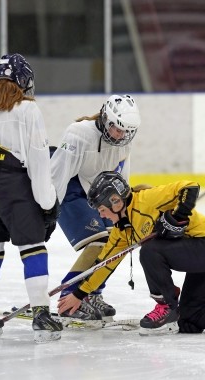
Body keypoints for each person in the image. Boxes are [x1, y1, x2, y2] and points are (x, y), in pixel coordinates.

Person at [58, 171, 205, 337]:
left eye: (102, 209)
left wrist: (178, 217)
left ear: (116, 201)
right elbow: (105, 264)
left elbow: (189, 186)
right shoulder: (122, 232)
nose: (100, 215)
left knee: (150, 251)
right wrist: (79, 294)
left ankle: (165, 306)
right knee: (189, 316)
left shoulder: (147, 200)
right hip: (203, 257)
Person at [0, 53, 62, 343]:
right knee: (33, 248)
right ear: (24, 81)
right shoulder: (27, 110)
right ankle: (42, 315)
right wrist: (47, 204)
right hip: (15, 186)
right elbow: (38, 160)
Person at [51, 94, 141, 321]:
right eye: (116, 129)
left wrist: (125, 211)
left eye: (126, 132)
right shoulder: (78, 133)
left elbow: (122, 178)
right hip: (70, 188)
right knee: (97, 240)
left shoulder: (124, 142)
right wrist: (48, 209)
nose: (121, 136)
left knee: (116, 241)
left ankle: (91, 292)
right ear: (104, 118)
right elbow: (58, 174)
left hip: (97, 191)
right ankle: (68, 297)